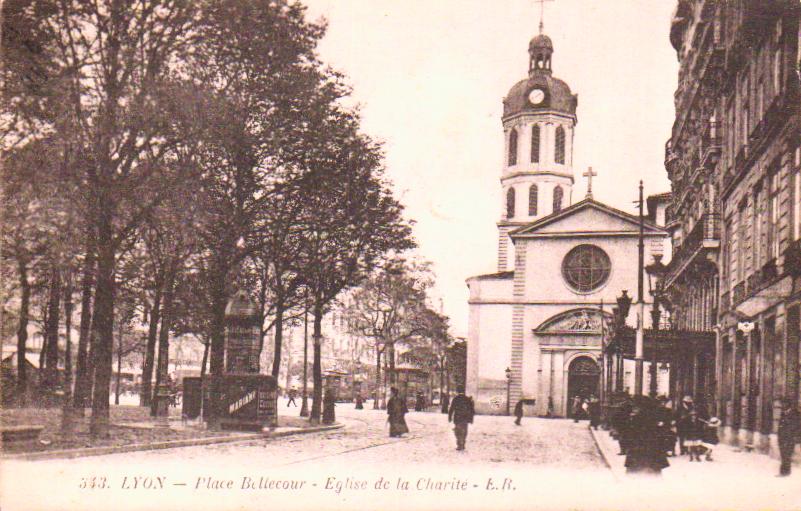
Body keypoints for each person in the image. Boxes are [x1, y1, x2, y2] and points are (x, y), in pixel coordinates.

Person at [624, 396, 669, 475]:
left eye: (635, 406)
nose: (634, 409)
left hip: (639, 450)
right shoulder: (653, 417)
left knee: (637, 472)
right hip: (652, 450)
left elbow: (631, 433)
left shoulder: (637, 418)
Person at [778, 398, 801, 476]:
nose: (782, 405)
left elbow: (798, 426)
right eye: (782, 404)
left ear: (788, 405)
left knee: (787, 455)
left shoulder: (795, 414)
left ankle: (785, 472)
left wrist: (795, 437)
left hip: (790, 438)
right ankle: (784, 471)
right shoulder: (783, 413)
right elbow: (780, 426)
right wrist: (779, 437)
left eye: (784, 404)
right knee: (783, 454)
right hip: (782, 438)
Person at [448, 386, 475, 451]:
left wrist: (450, 417)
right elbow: (472, 410)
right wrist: (471, 419)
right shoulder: (467, 399)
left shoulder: (455, 399)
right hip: (465, 418)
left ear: (457, 391)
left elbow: (451, 409)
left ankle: (459, 444)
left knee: (458, 431)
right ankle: (463, 443)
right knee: (464, 431)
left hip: (457, 418)